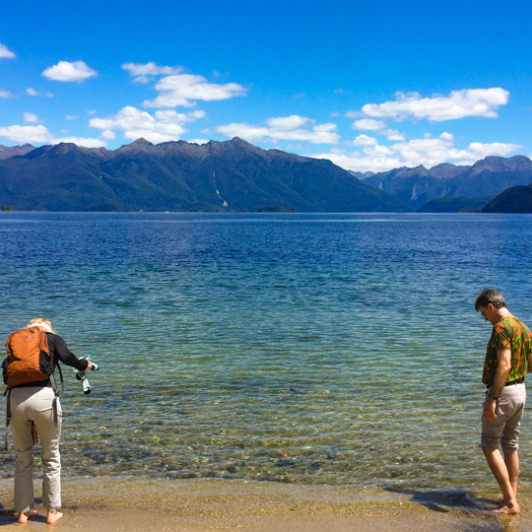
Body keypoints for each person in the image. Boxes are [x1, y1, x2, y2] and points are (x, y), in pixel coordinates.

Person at [2, 318, 93, 525]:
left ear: (29, 327)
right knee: (51, 458)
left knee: (23, 459)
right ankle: (52, 512)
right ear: (47, 326)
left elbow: (6, 372)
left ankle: (23, 513)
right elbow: (67, 357)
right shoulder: (51, 338)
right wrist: (83, 364)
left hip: (14, 400)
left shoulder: (17, 341)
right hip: (43, 399)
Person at [475, 289, 532, 514]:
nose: (485, 319)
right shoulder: (523, 327)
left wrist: (492, 397)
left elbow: (505, 365)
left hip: (504, 392)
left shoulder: (501, 328)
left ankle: (510, 502)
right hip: (521, 391)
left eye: (483, 313)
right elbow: (530, 365)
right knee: (510, 445)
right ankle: (511, 498)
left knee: (489, 445)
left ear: (491, 306)